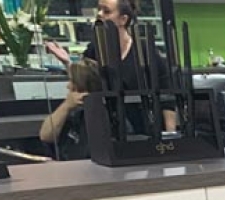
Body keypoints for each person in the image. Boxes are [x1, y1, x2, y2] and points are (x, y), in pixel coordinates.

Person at [48, 0, 176, 134]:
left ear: (123, 19)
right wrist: (67, 63)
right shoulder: (93, 50)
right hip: (109, 132)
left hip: (145, 131)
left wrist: (170, 134)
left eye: (106, 11)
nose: (99, 14)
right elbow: (85, 82)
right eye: (99, 9)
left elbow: (166, 96)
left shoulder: (145, 51)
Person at [38, 59, 100, 160]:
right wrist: (66, 106)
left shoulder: (99, 117)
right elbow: (45, 135)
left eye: (71, 81)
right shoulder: (74, 112)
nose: (68, 86)